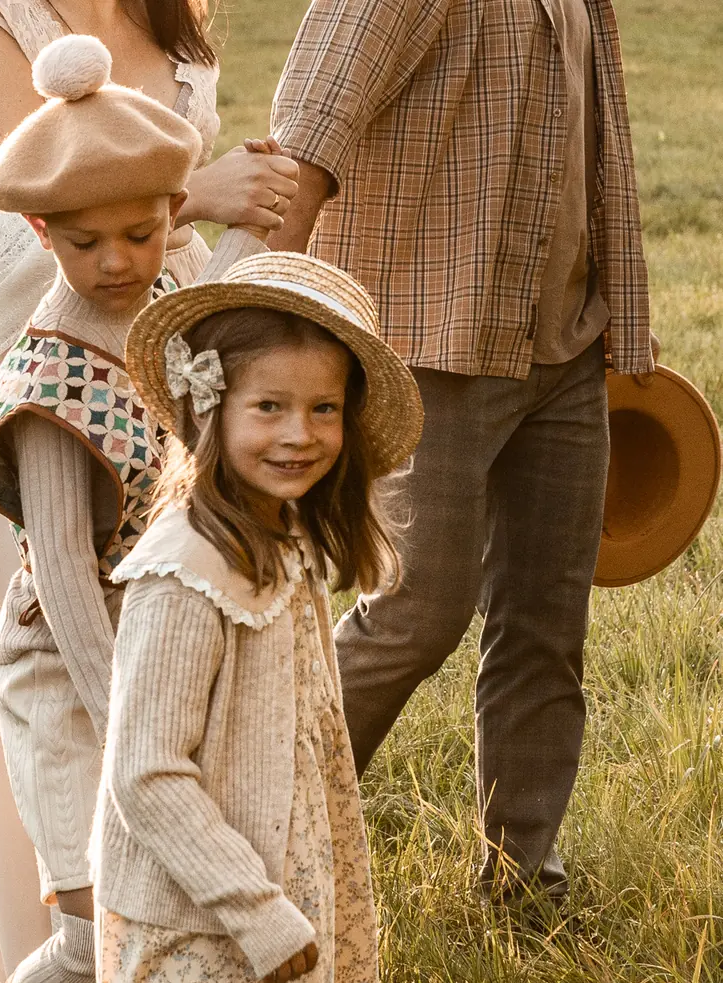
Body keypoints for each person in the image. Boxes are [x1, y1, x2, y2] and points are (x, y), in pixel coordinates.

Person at [0, 36, 282, 983]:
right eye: (89, 244)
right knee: (103, 923)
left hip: (168, 653)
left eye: (144, 232)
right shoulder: (47, 380)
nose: (123, 261)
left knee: (178, 915)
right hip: (77, 674)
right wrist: (140, 743)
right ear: (43, 239)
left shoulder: (171, 303)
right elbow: (70, 601)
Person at [93, 250, 423, 983]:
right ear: (208, 409)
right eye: (268, 407)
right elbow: (145, 774)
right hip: (207, 914)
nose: (298, 433)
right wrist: (261, 910)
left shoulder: (270, 540)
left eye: (322, 408)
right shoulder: (188, 573)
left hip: (256, 900)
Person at [269, 0, 655, 904]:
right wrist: (269, 309)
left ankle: (523, 878)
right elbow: (312, 122)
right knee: (415, 611)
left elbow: (587, 151)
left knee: (545, 625)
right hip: (431, 342)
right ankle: (259, 842)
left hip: (561, 344)